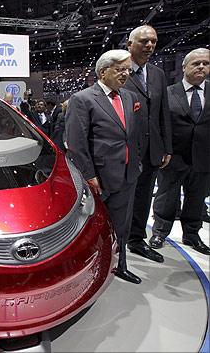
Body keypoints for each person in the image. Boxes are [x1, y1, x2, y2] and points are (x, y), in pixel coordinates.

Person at [66, 49, 143, 284]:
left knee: (123, 224)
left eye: (128, 70)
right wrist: (89, 175)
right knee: (93, 228)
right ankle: (91, 271)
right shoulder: (83, 99)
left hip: (128, 172)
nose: (125, 74)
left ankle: (120, 265)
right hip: (99, 176)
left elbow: (130, 134)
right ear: (103, 71)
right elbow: (77, 143)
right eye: (120, 69)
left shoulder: (128, 97)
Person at [149, 48, 210, 255]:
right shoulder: (168, 93)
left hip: (203, 157)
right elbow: (158, 125)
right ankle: (159, 232)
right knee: (166, 196)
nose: (201, 67)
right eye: (196, 63)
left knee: (196, 197)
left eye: (205, 63)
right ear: (184, 67)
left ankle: (192, 234)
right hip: (173, 156)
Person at [124, 25, 172, 263]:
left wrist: (167, 147)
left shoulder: (157, 74)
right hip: (125, 150)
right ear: (130, 45)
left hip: (153, 149)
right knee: (122, 197)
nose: (150, 46)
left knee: (144, 197)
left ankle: (136, 239)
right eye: (144, 41)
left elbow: (163, 113)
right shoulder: (118, 70)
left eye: (153, 41)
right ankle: (117, 241)